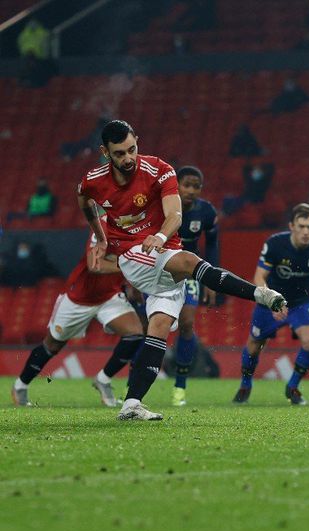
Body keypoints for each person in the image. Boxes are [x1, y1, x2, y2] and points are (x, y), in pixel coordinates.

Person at [77, 119, 287, 421]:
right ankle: (261, 294)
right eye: (119, 153)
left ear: (138, 140)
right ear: (105, 152)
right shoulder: (94, 179)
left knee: (159, 327)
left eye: (132, 149)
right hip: (133, 255)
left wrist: (160, 236)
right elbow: (83, 198)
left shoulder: (160, 170)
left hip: (163, 254)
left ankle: (131, 403)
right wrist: (99, 235)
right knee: (189, 262)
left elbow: (175, 214)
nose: (128, 158)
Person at [11, 217, 145, 408]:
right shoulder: (102, 225)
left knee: (135, 333)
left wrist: (133, 285)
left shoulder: (139, 228)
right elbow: (95, 265)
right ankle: (20, 385)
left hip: (109, 296)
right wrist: (129, 266)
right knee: (52, 346)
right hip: (79, 298)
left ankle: (103, 379)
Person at [233, 203, 309, 406]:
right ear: (291, 226)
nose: (306, 232)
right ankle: (245, 384)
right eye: (301, 226)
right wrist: (272, 303)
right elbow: (259, 277)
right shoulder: (276, 244)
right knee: (254, 346)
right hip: (270, 301)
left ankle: (292, 387)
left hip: (300, 304)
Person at [170, 165, 219, 406]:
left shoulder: (206, 212)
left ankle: (180, 384)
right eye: (186, 185)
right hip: (160, 272)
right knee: (148, 328)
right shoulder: (163, 206)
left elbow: (212, 245)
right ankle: (133, 384)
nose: (190, 190)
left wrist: (210, 280)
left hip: (189, 273)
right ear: (175, 184)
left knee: (187, 324)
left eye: (196, 186)